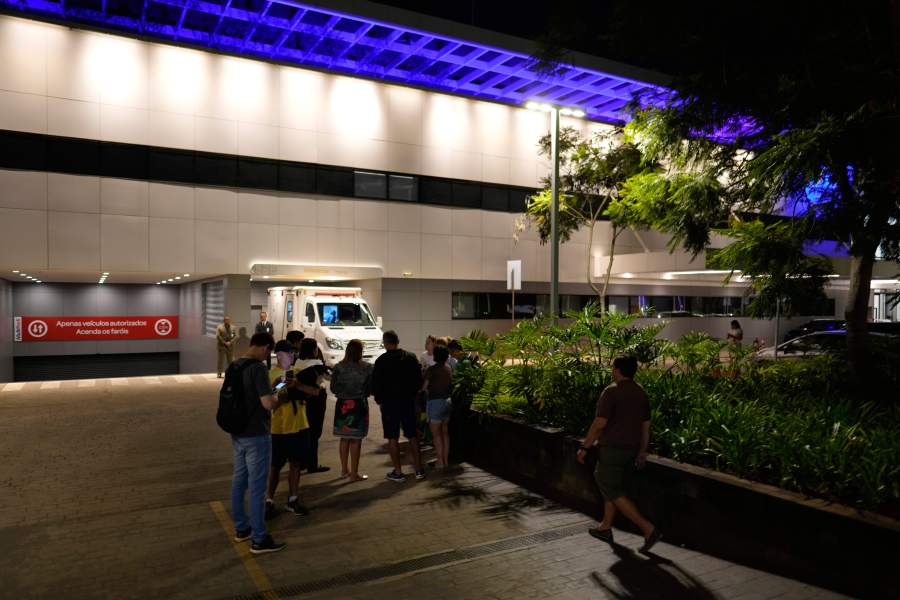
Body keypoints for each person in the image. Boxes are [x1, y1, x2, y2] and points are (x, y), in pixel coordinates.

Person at [577, 355, 662, 553]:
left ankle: (648, 529)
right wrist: (642, 451)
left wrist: (585, 447)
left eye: (613, 367)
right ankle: (606, 527)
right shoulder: (640, 392)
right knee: (613, 486)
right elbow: (646, 426)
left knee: (608, 484)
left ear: (617, 370)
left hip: (613, 450)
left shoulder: (611, 391)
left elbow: (600, 423)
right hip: (631, 450)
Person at [227, 332, 287, 555]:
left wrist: (273, 387)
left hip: (238, 432)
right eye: (268, 352)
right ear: (264, 348)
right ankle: (260, 539)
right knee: (258, 487)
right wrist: (279, 394)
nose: (267, 356)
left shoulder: (235, 365)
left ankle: (242, 529)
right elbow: (268, 404)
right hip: (256, 434)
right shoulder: (258, 368)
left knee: (239, 481)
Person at [266, 340, 317, 518]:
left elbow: (315, 392)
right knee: (275, 466)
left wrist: (297, 385)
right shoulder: (271, 374)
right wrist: (280, 386)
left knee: (296, 463)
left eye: (293, 353)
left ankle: (293, 499)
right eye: (289, 353)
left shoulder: (297, 373)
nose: (292, 355)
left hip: (300, 425)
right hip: (280, 428)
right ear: (279, 355)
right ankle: (269, 500)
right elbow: (269, 401)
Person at [372, 330, 425, 482]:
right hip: (407, 402)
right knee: (412, 435)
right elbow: (418, 380)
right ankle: (419, 469)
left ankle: (398, 472)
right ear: (397, 341)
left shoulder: (381, 360)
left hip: (389, 404)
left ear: (385, 343)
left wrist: (380, 399)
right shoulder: (410, 357)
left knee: (392, 437)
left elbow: (375, 385)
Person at [330, 339, 373, 482]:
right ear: (360, 352)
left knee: (344, 438)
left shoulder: (338, 367)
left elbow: (333, 388)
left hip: (342, 405)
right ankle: (354, 474)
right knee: (356, 440)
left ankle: (344, 470)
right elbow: (370, 387)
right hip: (359, 404)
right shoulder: (367, 367)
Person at [295, 338, 330, 474]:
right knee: (315, 432)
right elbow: (328, 378)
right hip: (316, 399)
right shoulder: (316, 363)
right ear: (314, 349)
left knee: (304, 431)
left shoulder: (298, 361)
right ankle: (312, 465)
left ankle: (303, 462)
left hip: (302, 399)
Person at [424, 346, 453, 469]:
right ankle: (445, 460)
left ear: (435, 356)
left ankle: (440, 462)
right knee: (445, 433)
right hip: (447, 402)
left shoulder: (431, 370)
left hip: (435, 403)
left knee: (436, 435)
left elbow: (424, 387)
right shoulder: (448, 368)